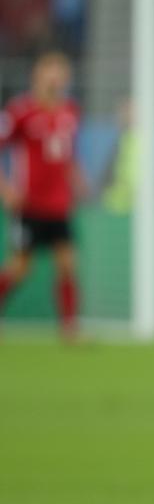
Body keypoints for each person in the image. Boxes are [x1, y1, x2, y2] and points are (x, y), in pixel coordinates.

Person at [0, 51, 83, 338]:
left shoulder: (70, 111)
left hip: (59, 204)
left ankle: (69, 328)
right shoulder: (19, 111)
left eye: (60, 70)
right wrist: (6, 189)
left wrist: (77, 180)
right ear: (37, 74)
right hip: (29, 205)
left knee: (68, 264)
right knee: (21, 267)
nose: (55, 76)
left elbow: (67, 155)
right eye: (50, 69)